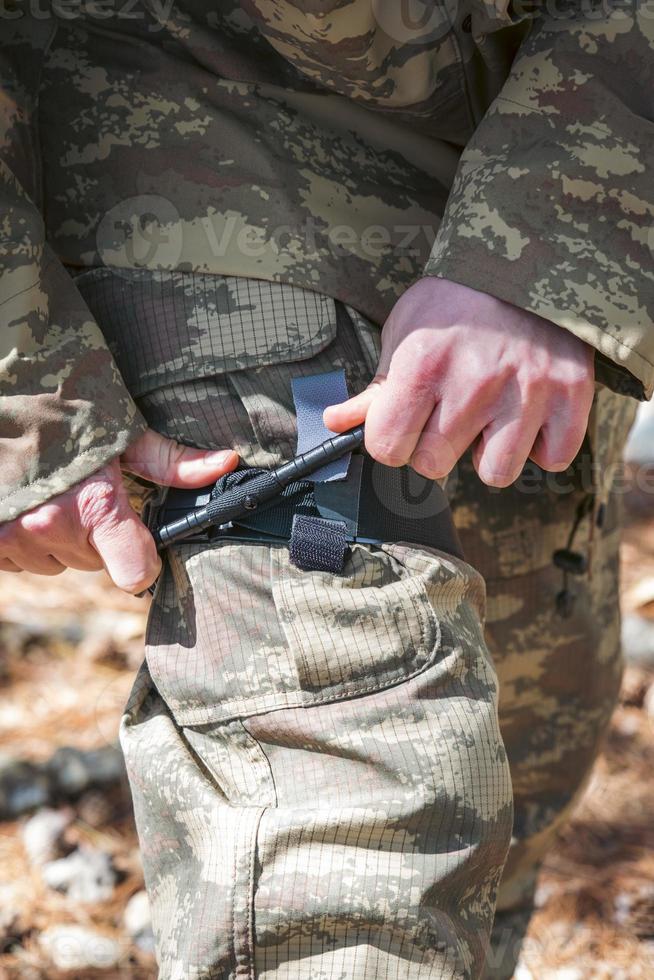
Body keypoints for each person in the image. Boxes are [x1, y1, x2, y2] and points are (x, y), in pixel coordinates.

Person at [0, 3, 651, 977]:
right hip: (171, 153)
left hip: (529, 137)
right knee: (352, 853)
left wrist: (550, 239)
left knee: (512, 767)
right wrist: (21, 384)